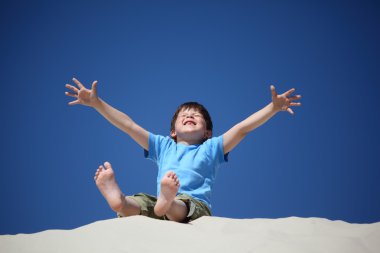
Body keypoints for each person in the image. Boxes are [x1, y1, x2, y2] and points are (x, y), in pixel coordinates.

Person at [65, 77, 301, 223]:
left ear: (207, 132)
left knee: (180, 206)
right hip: (160, 201)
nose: (190, 115)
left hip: (194, 205)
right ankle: (118, 200)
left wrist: (272, 108)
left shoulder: (211, 149)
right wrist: (97, 104)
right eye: (184, 115)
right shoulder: (163, 146)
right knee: (136, 205)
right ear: (173, 132)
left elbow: (241, 129)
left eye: (197, 115)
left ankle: (166, 202)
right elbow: (128, 125)